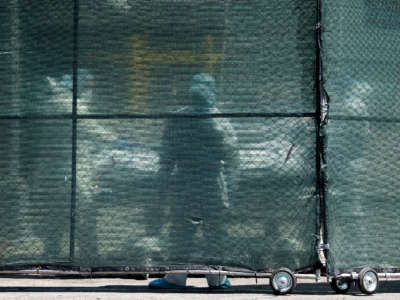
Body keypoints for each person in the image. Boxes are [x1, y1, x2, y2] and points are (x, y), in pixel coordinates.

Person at [149, 73, 238, 289]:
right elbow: (231, 153)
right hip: (208, 180)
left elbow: (167, 154)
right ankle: (216, 279)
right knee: (211, 231)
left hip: (189, 180)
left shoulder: (182, 118)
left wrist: (163, 181)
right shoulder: (219, 119)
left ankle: (177, 278)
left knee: (184, 230)